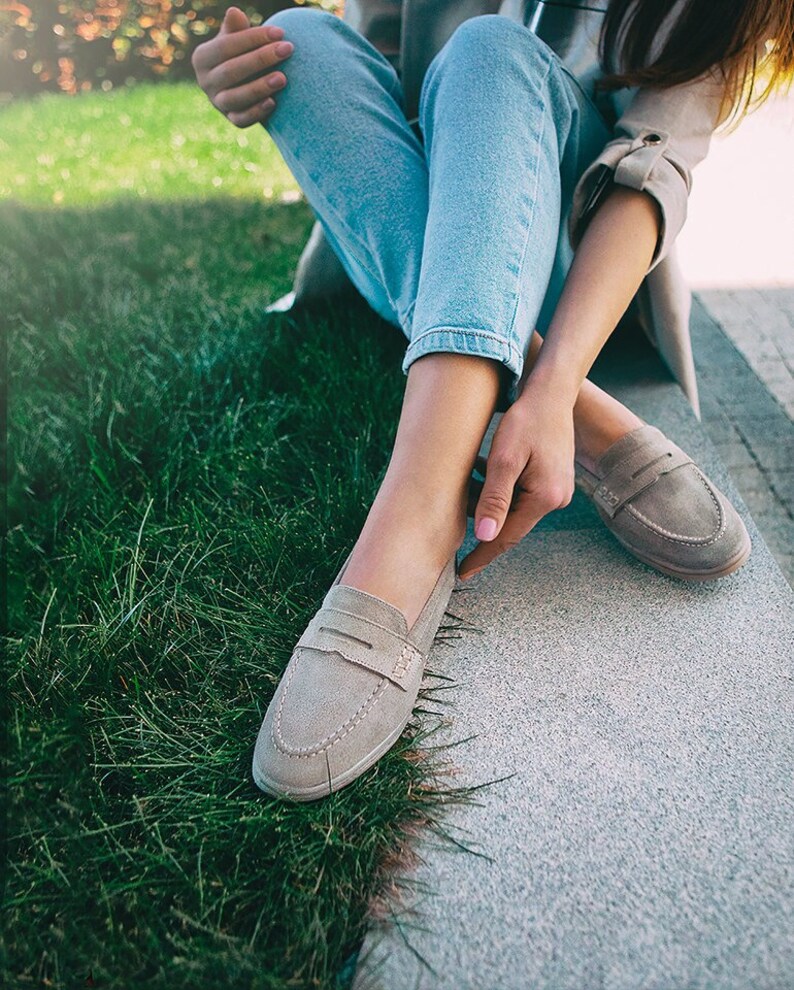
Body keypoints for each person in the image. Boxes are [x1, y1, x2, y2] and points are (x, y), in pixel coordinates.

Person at [191, 1, 794, 801]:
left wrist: (560, 363)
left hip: (569, 267)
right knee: (295, 39)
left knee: (491, 51)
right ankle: (582, 413)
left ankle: (417, 509)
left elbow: (652, 169)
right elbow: (387, 110)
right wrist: (240, 74)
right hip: (449, 232)